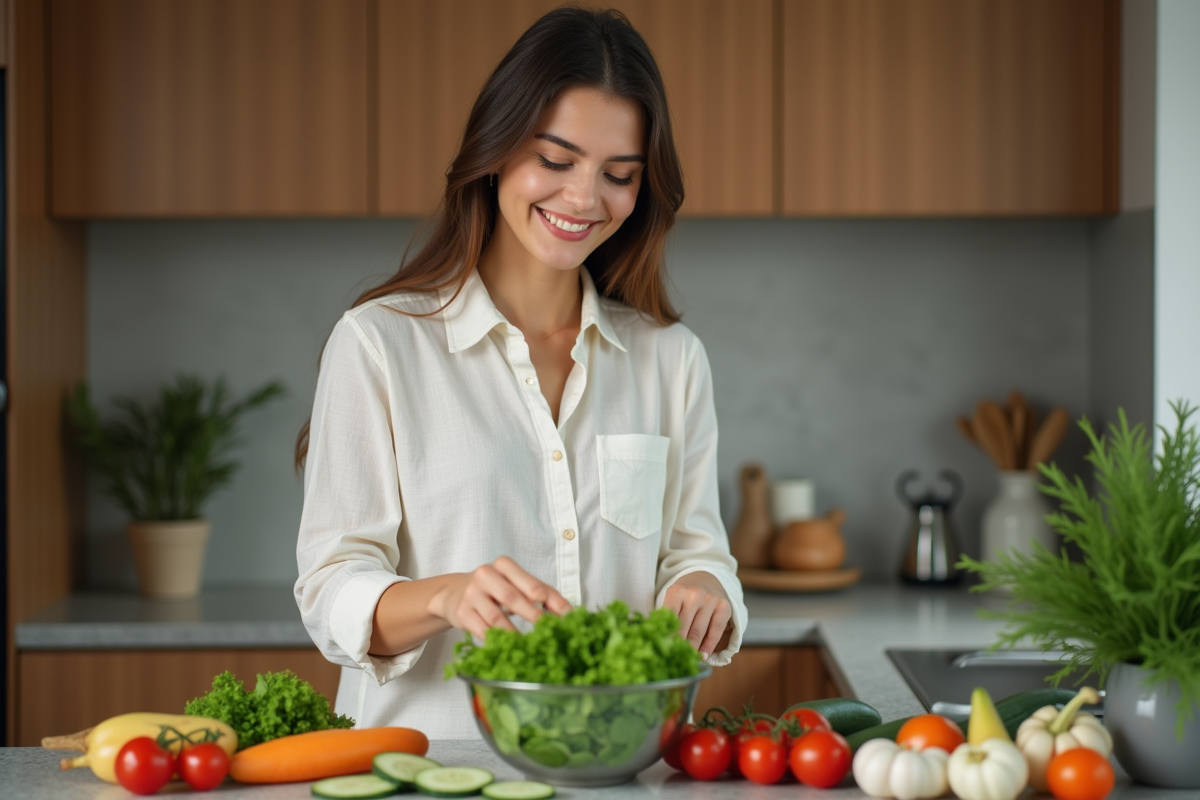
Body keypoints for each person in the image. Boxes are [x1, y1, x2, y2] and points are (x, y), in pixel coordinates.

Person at [293, 6, 747, 739]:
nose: (584, 198)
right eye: (557, 161)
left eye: (618, 175)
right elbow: (330, 590)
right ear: (497, 149)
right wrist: (445, 597)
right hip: (433, 769)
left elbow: (698, 554)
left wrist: (704, 586)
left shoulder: (671, 359)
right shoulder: (380, 344)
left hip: (620, 769)